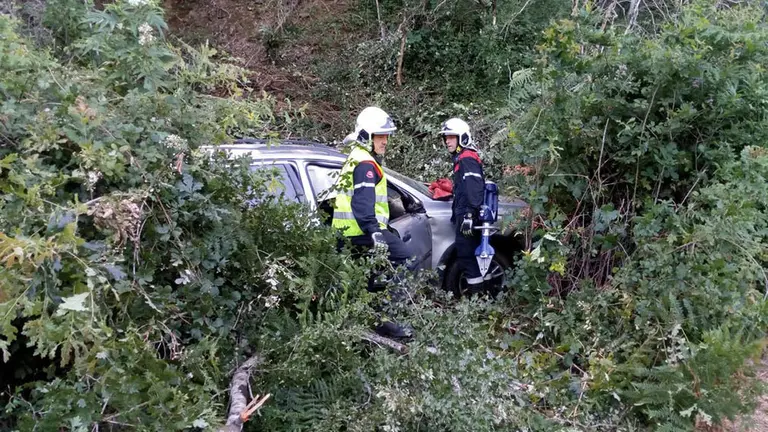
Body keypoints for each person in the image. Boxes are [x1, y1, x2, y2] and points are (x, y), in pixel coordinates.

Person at [332, 106, 414, 339]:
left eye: (386, 136)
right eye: (381, 136)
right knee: (405, 257)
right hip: (361, 231)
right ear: (366, 136)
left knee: (369, 273)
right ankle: (388, 318)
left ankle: (372, 317)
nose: (385, 141)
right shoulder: (366, 164)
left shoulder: (357, 157)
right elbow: (362, 203)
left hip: (347, 233)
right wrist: (375, 232)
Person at [438, 117, 487, 297]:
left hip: (467, 216)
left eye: (451, 137)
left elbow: (475, 190)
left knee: (466, 256)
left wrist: (469, 216)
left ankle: (478, 297)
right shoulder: (462, 158)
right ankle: (480, 295)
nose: (447, 141)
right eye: (446, 138)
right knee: (467, 255)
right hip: (464, 213)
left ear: (462, 138)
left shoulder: (467, 158)